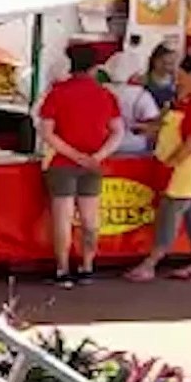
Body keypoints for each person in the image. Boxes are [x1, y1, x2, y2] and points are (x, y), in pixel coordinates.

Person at [127, 56, 191, 283]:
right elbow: (168, 125)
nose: (177, 80)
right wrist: (146, 129)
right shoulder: (189, 99)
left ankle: (150, 263)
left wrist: (173, 160)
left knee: (170, 213)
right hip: (181, 166)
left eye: (181, 76)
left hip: (184, 167)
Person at [37, 43, 125, 286]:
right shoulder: (106, 95)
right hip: (94, 163)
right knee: (90, 219)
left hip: (62, 162)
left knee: (62, 218)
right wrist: (97, 156)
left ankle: (62, 269)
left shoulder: (57, 93)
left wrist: (73, 155)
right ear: (96, 67)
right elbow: (118, 132)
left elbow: (46, 132)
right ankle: (87, 265)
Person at [101, 50, 160, 153]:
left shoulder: (101, 91)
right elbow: (153, 124)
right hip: (134, 148)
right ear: (134, 75)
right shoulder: (141, 95)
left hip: (105, 146)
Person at [144, 43, 180, 111]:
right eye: (164, 62)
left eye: (171, 63)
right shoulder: (143, 80)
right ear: (154, 60)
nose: (167, 67)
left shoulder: (177, 82)